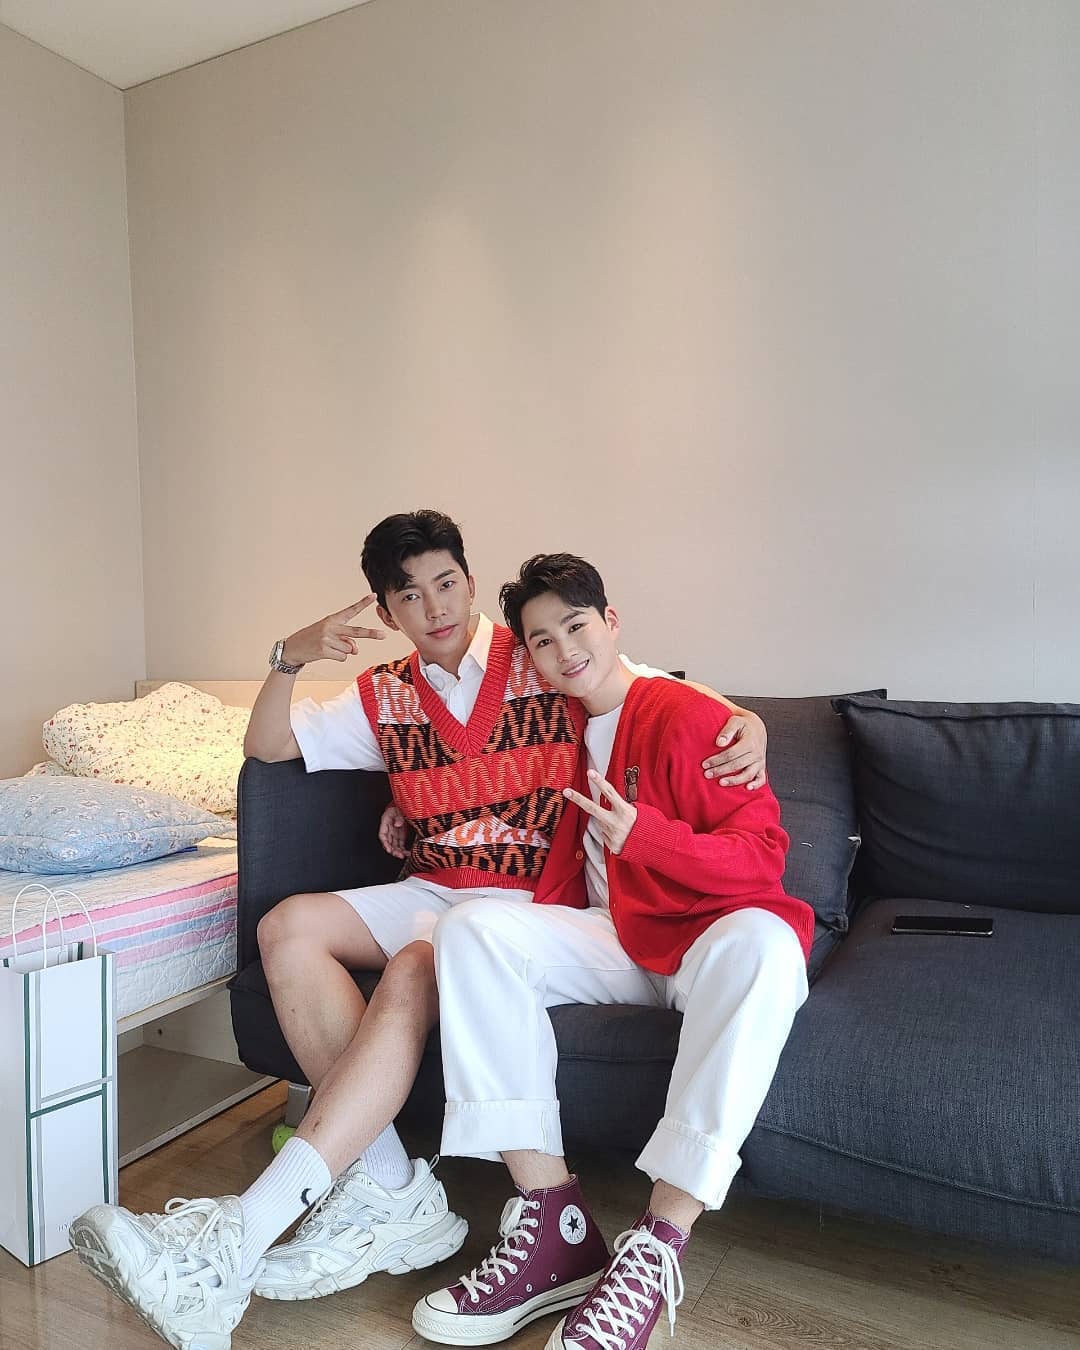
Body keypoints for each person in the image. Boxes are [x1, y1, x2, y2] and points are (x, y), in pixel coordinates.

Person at [70, 513, 768, 1350]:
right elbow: (267, 745)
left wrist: (748, 722)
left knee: (415, 964)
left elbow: (643, 689)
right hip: (436, 888)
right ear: (386, 610)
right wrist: (291, 655)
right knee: (288, 928)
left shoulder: (540, 655)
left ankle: (250, 1233)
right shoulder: (385, 693)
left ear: (470, 583)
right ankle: (388, 1185)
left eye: (446, 583)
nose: (435, 607)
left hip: (524, 904)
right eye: (410, 595)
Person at [413, 553, 815, 1350]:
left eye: (576, 626)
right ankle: (553, 1226)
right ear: (528, 656)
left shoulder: (686, 715)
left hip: (706, 933)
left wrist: (650, 837)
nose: (565, 650)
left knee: (769, 947)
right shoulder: (559, 722)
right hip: (618, 934)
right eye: (542, 640)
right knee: (469, 930)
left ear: (611, 621)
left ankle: (657, 1245)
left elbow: (762, 857)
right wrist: (401, 818)